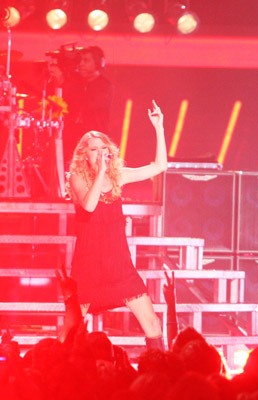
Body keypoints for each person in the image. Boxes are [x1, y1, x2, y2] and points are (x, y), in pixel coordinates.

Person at [65, 100, 167, 350]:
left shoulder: (117, 175)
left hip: (119, 262)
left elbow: (160, 166)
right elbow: (89, 206)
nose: (100, 153)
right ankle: (60, 367)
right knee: (72, 329)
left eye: (103, 148)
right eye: (93, 149)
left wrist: (159, 128)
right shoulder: (76, 178)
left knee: (152, 323)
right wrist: (101, 172)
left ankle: (159, 367)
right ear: (84, 154)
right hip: (89, 263)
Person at [49, 45, 114, 161]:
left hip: (94, 141)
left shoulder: (104, 86)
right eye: (80, 61)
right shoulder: (77, 83)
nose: (81, 64)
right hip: (73, 139)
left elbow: (86, 105)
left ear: (98, 63)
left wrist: (64, 83)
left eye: (86, 60)